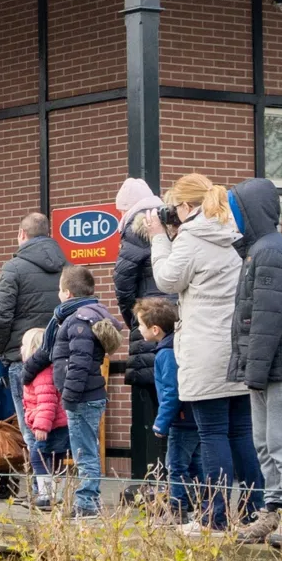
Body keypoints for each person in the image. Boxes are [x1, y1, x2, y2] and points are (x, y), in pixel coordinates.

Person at [149, 172, 263, 534]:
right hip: (238, 349)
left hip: (205, 350)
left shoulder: (192, 236)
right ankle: (252, 514)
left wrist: (158, 238)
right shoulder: (234, 232)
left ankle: (214, 519)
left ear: (185, 206)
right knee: (242, 433)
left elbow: (167, 280)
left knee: (212, 433)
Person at [228, 178, 282, 548]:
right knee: (265, 443)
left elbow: (267, 320)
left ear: (250, 212)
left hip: (280, 368)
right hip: (267, 368)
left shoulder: (270, 252)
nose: (232, 217)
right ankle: (272, 511)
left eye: (235, 210)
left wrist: (253, 370)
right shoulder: (259, 250)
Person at [0, 212, 67, 474]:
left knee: (32, 425)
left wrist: (3, 350)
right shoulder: (66, 266)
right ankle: (55, 487)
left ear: (22, 234)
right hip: (61, 357)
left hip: (23, 358)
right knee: (56, 422)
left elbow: (0, 316)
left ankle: (40, 488)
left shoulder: (13, 268)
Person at [48, 265, 121, 521]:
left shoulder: (78, 320)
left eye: (59, 289)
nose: (58, 294)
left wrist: (68, 395)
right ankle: (87, 500)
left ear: (67, 293)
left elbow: (78, 363)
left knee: (84, 453)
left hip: (82, 398)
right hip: (89, 396)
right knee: (86, 449)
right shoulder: (89, 315)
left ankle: (87, 503)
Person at [114, 179, 171, 482]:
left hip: (150, 327)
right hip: (176, 326)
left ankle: (158, 481)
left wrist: (136, 321)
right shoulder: (170, 224)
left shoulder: (134, 233)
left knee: (157, 411)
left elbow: (123, 286)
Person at [141, 298, 201, 523]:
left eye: (140, 325)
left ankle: (177, 511)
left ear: (155, 329)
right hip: (194, 417)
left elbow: (171, 390)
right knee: (195, 465)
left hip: (180, 420)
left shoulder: (165, 353)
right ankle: (200, 506)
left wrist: (161, 422)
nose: (138, 330)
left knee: (175, 465)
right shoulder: (177, 345)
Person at [19, 327, 69, 511]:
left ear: (33, 349)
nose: (20, 349)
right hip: (58, 424)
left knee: (37, 456)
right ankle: (57, 495)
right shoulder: (45, 371)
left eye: (23, 345)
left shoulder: (42, 374)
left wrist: (41, 426)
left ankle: (47, 495)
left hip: (51, 426)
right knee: (57, 458)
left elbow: (47, 402)